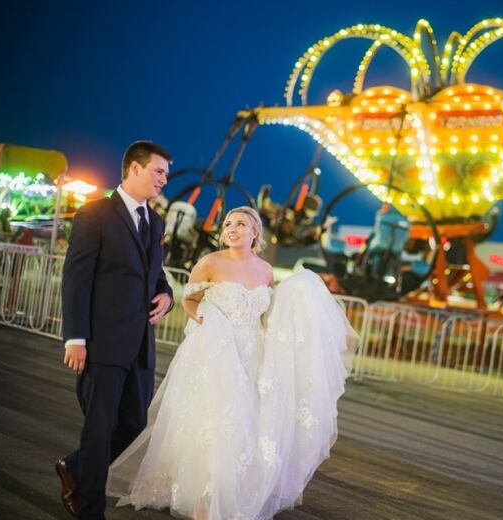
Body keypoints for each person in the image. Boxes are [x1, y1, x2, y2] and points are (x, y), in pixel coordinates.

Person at [107, 206, 356, 520]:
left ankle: (229, 490)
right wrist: (206, 324)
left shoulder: (265, 270)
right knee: (217, 419)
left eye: (241, 224)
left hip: (253, 354)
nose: (233, 229)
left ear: (255, 233)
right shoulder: (210, 263)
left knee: (246, 422)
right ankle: (205, 497)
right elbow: (190, 299)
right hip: (215, 352)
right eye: (228, 224)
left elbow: (267, 315)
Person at [56, 141, 174, 519]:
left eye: (166, 175)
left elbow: (153, 273)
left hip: (140, 344)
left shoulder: (154, 221)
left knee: (134, 426)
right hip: (101, 343)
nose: (164, 180)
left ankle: (75, 467)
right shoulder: (96, 214)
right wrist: (75, 337)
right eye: (158, 172)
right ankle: (91, 509)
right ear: (134, 169)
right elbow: (76, 279)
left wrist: (167, 294)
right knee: (99, 428)